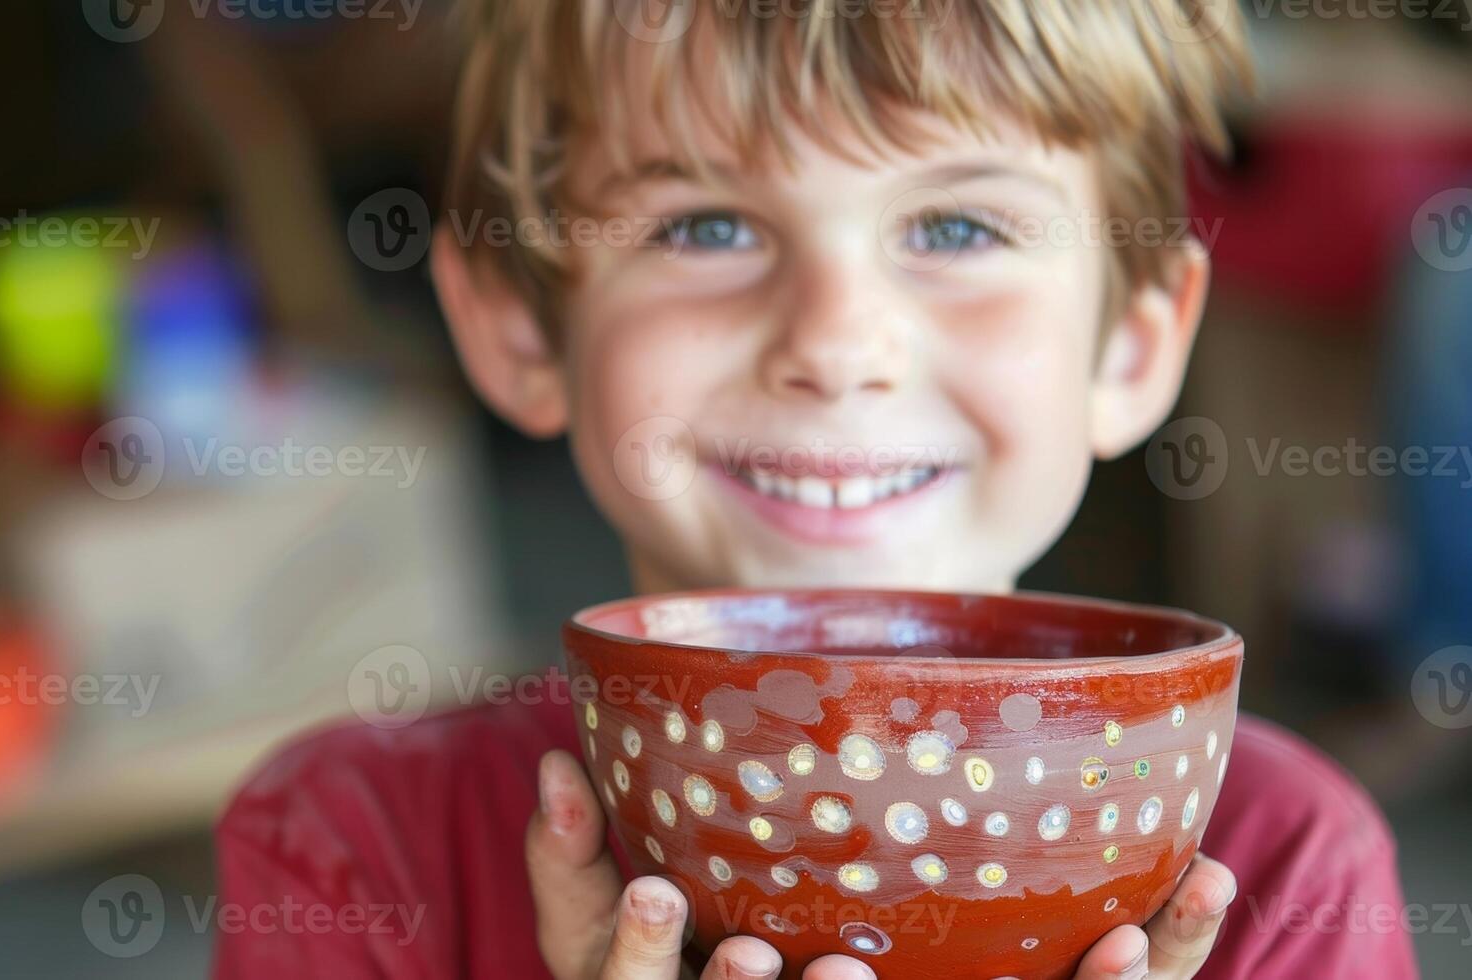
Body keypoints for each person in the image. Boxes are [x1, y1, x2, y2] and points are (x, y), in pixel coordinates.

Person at [214, 2, 1416, 977]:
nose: (838, 342)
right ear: (524, 329)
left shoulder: (1282, 870)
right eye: (705, 227)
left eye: (954, 229)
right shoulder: (353, 849)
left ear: (1133, 347)